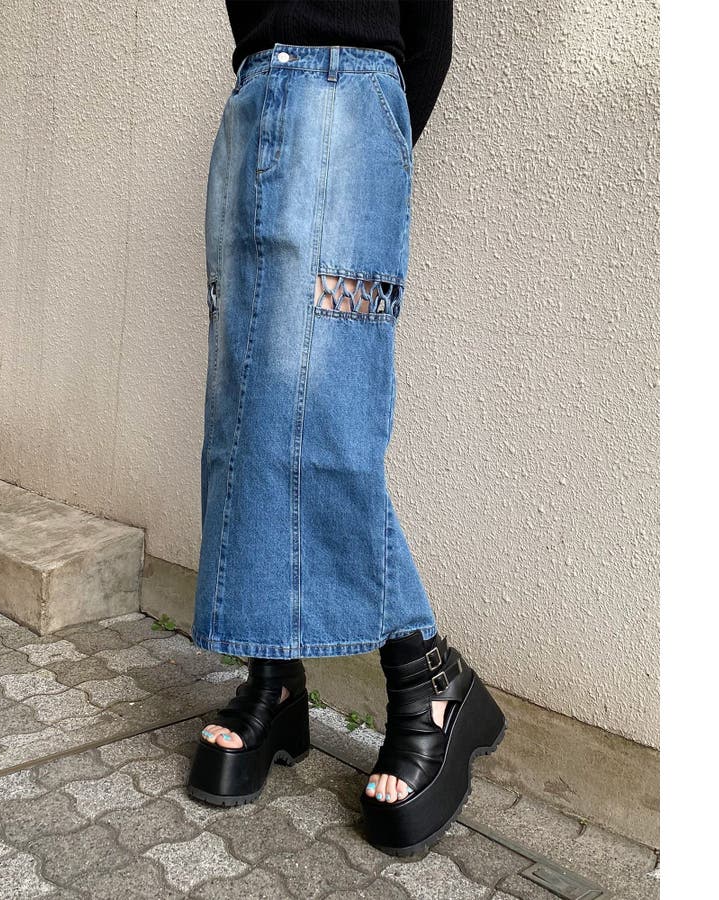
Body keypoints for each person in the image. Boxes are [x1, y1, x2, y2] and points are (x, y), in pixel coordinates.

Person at [186, 0, 505, 856]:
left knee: (320, 413)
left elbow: (428, 38)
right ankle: (276, 678)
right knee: (242, 411)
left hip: (349, 97)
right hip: (255, 99)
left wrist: (366, 128)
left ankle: (425, 673)